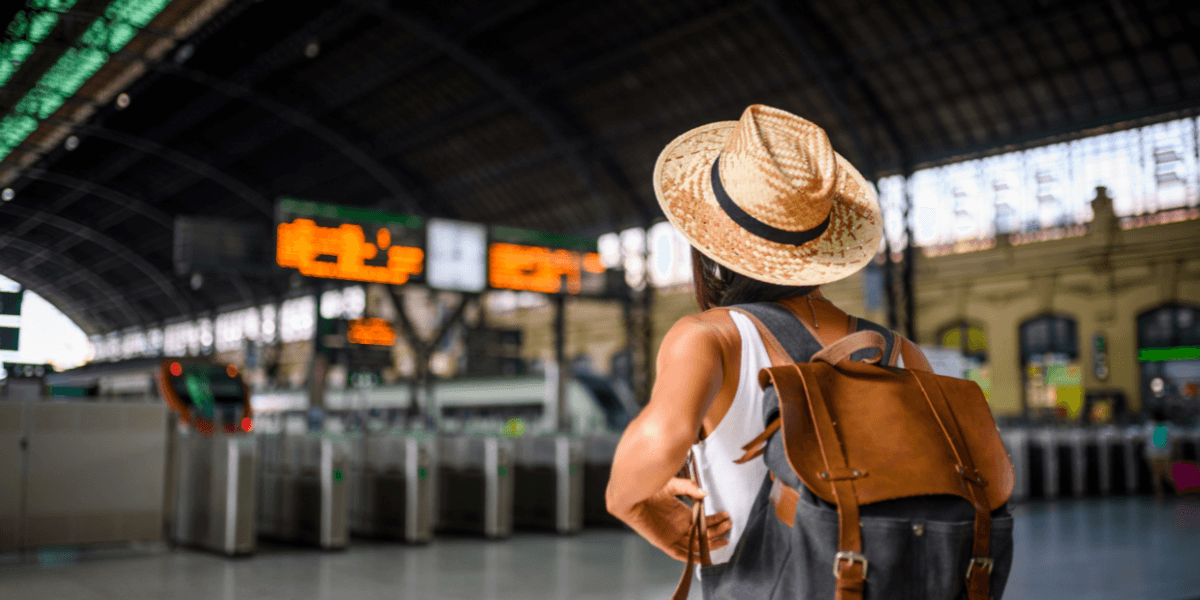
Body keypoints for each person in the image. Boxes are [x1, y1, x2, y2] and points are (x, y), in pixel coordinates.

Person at [606, 105, 886, 584]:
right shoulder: (896, 352)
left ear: (710, 239)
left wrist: (633, 501)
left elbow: (658, 445)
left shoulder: (709, 337)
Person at [1144, 409, 1174, 498]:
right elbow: (1174, 439)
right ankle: (1178, 490)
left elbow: (1144, 437)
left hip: (1152, 452)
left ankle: (1159, 493)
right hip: (1166, 453)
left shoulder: (1149, 425)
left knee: (1156, 474)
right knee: (1168, 473)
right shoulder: (1168, 425)